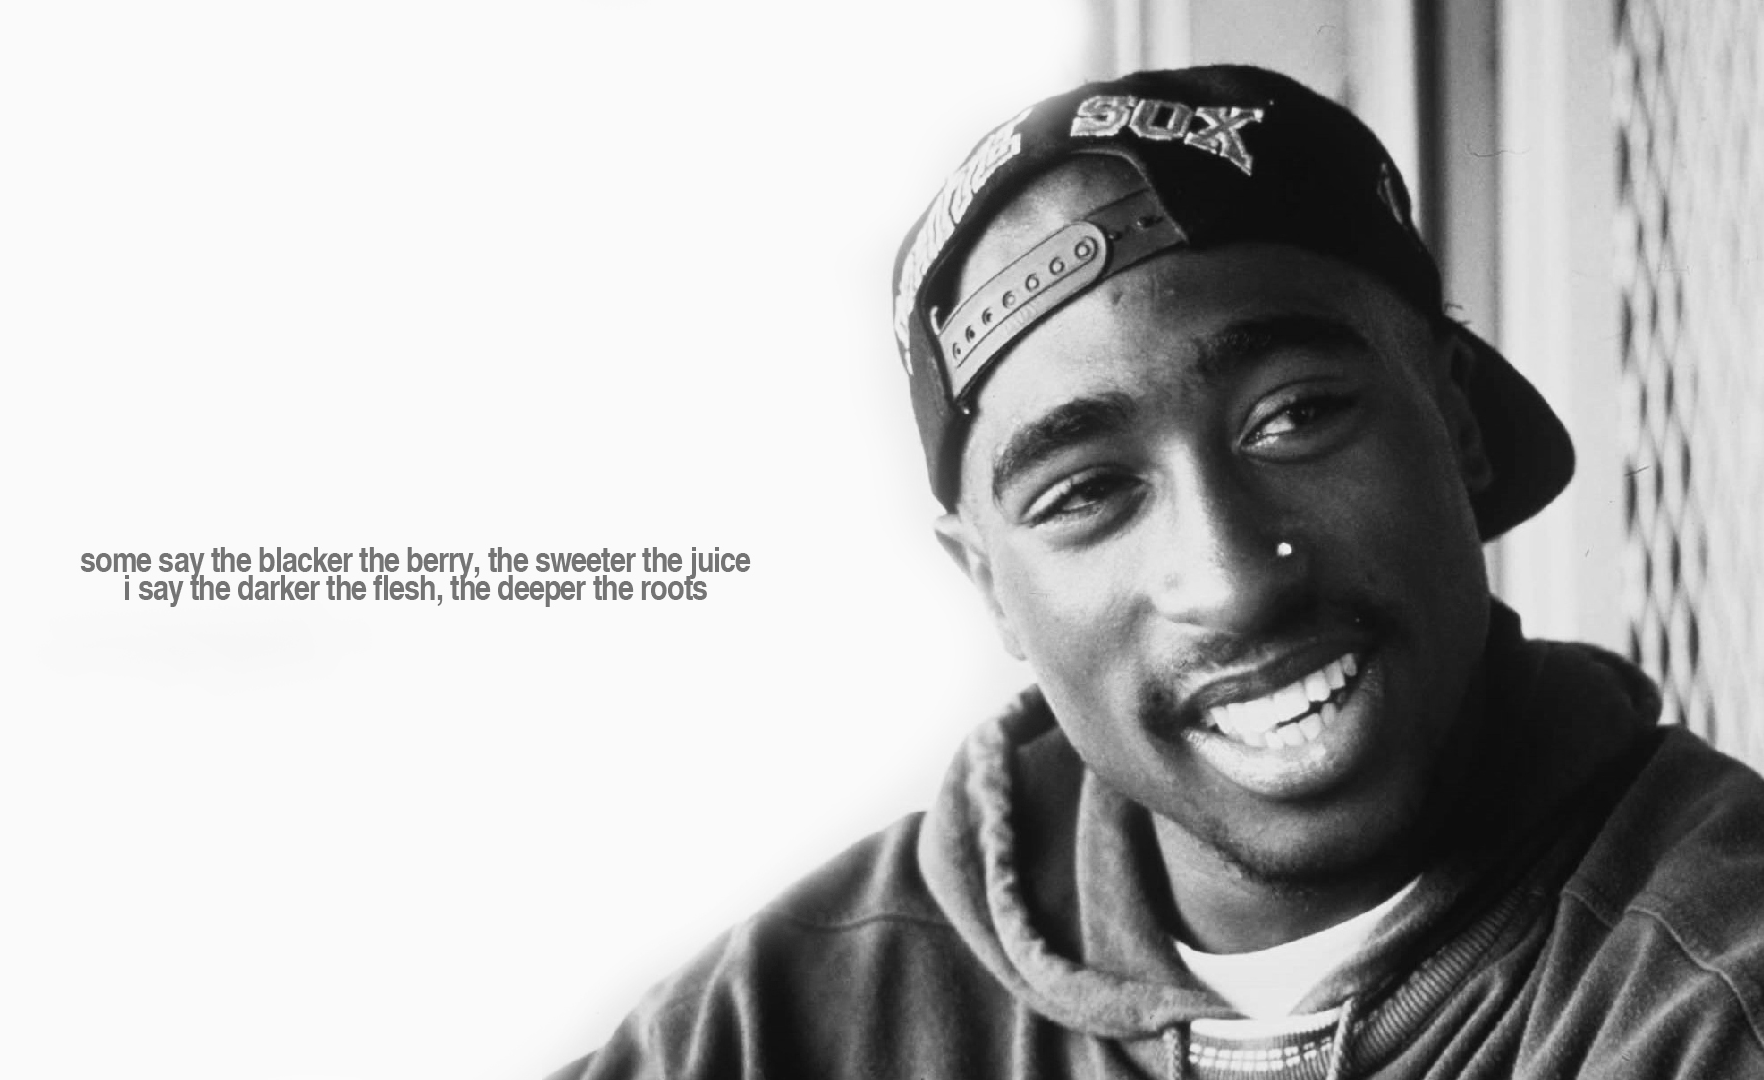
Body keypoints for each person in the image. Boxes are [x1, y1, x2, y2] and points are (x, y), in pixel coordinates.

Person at [549, 65, 1764, 1079]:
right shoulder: (772, 1026)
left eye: (1294, 417)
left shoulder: (1709, 991)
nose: (1231, 579)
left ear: (1456, 421)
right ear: (992, 590)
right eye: (1085, 493)